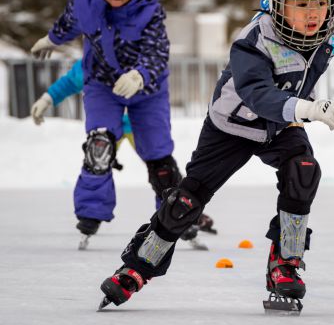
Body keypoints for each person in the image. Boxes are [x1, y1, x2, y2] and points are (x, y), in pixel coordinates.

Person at [98, 0, 334, 311]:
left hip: (280, 124)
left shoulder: (333, 26)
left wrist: (298, 107)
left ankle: (286, 264)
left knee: (303, 172)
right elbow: (258, 95)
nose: (314, 15)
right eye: (301, 4)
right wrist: (307, 108)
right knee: (185, 203)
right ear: (277, 4)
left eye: (320, 4)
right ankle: (136, 267)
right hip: (232, 125)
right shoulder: (252, 42)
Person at [30, 0, 214, 246]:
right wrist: (52, 39)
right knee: (99, 145)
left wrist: (140, 74)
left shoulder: (150, 10)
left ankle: (176, 214)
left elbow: (157, 52)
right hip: (102, 85)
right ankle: (91, 211)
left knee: (158, 156)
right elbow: (70, 22)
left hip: (148, 90)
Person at [30, 59, 216, 240]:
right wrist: (48, 98)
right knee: (97, 156)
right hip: (108, 127)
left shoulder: (144, 58)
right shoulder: (92, 61)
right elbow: (70, 82)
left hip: (141, 125)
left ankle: (179, 212)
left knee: (163, 168)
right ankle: (91, 211)